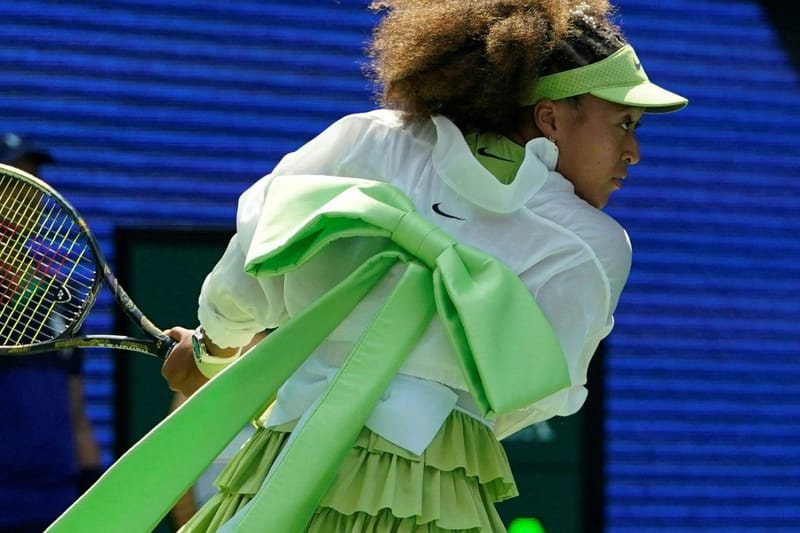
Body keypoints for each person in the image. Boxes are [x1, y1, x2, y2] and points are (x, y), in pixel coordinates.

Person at [157, 0, 688, 531]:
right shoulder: (593, 246)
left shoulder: (366, 138)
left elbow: (251, 268)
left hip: (285, 459)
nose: (634, 151)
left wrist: (211, 352)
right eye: (623, 124)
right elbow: (536, 397)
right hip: (436, 489)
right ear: (550, 117)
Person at [0, 134, 104, 532]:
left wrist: (93, 482)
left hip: (56, 508)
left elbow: (75, 411)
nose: (28, 197)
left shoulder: (62, 297)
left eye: (34, 183)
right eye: (12, 184)